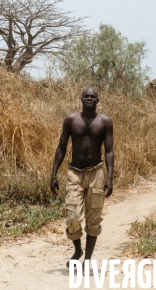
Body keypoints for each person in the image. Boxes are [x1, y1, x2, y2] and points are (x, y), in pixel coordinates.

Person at [50, 87, 114, 269]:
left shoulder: (105, 121)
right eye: (86, 96)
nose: (89, 98)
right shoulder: (71, 120)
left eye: (93, 96)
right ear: (81, 99)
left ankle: (87, 260)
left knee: (94, 218)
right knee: (73, 216)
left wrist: (110, 177)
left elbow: (109, 151)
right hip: (74, 172)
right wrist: (53, 174)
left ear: (98, 100)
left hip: (96, 173)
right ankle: (77, 251)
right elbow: (61, 147)